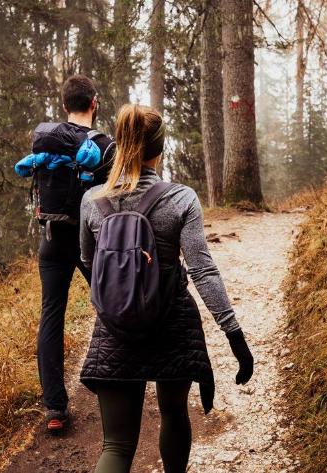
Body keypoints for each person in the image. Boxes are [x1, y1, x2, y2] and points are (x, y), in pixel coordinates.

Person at [78, 104, 254, 472]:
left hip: (115, 330)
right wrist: (233, 334)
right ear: (160, 149)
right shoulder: (181, 198)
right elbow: (203, 270)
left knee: (116, 445)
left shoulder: (92, 201)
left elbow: (90, 262)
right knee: (174, 414)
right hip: (170, 323)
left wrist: (119, 297)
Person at [36, 75, 114, 431]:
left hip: (52, 238)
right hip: (90, 241)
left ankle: (55, 408)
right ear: (94, 103)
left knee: (52, 314)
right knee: (110, 303)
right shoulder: (105, 146)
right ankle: (114, 379)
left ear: (65, 105)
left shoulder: (49, 141)